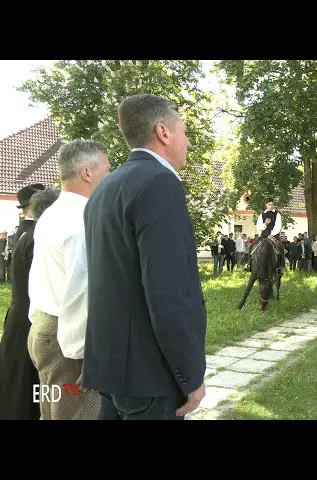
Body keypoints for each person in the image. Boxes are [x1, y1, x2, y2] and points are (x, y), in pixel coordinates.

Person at [82, 93, 207, 420]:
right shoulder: (160, 183)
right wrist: (190, 376)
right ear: (164, 133)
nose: (189, 143)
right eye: (184, 131)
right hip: (151, 378)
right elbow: (169, 294)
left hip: (113, 370)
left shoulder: (104, 189)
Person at [27, 140, 110, 420]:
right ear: (87, 173)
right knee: (78, 415)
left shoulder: (51, 214)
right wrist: (86, 356)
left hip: (45, 328)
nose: (109, 177)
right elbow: (80, 292)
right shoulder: (79, 221)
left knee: (51, 413)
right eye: (107, 170)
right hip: (68, 341)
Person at [0, 188, 59, 420]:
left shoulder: (25, 233)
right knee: (30, 385)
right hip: (30, 318)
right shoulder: (36, 236)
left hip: (19, 314)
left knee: (18, 382)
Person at [254, 198, 286, 273]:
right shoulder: (261, 215)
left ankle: (281, 267)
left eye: (272, 204)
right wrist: (265, 224)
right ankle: (249, 265)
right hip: (263, 236)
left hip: (274, 236)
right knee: (252, 246)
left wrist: (272, 234)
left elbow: (278, 226)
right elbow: (259, 227)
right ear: (266, 205)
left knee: (281, 248)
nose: (271, 206)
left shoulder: (277, 214)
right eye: (269, 204)